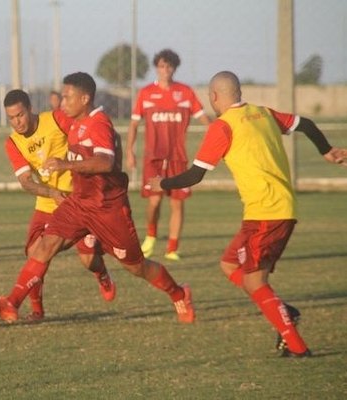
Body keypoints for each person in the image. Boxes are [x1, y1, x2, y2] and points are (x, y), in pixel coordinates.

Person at [147, 70, 347, 357]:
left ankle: (298, 346)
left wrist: (162, 183)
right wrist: (326, 151)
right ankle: (283, 309)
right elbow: (306, 123)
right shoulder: (262, 113)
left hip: (267, 212)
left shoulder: (223, 127)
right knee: (230, 264)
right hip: (272, 209)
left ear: (214, 97)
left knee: (255, 281)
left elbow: (194, 176)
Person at [0, 72, 195, 324]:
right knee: (42, 247)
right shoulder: (75, 123)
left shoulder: (98, 123)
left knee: (136, 266)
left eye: (67, 97)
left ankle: (179, 292)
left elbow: (105, 162)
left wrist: (65, 165)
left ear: (84, 98)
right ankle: (11, 302)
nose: (62, 102)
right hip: (78, 203)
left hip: (107, 208)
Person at [2, 88, 116, 320]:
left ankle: (101, 272)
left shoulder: (55, 118)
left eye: (20, 115)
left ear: (30, 109)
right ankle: (37, 309)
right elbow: (26, 182)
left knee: (88, 260)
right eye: (12, 118)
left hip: (78, 199)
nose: (17, 122)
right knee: (35, 252)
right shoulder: (13, 143)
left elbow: (84, 134)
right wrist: (51, 192)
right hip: (47, 203)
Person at [126, 49, 210, 261]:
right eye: (162, 66)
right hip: (153, 157)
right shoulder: (145, 93)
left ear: (174, 68)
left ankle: (172, 248)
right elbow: (134, 124)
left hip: (177, 158)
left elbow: (205, 122)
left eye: (169, 66)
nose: (165, 70)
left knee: (177, 203)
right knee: (154, 201)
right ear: (157, 68)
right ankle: (151, 236)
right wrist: (130, 151)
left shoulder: (185, 92)